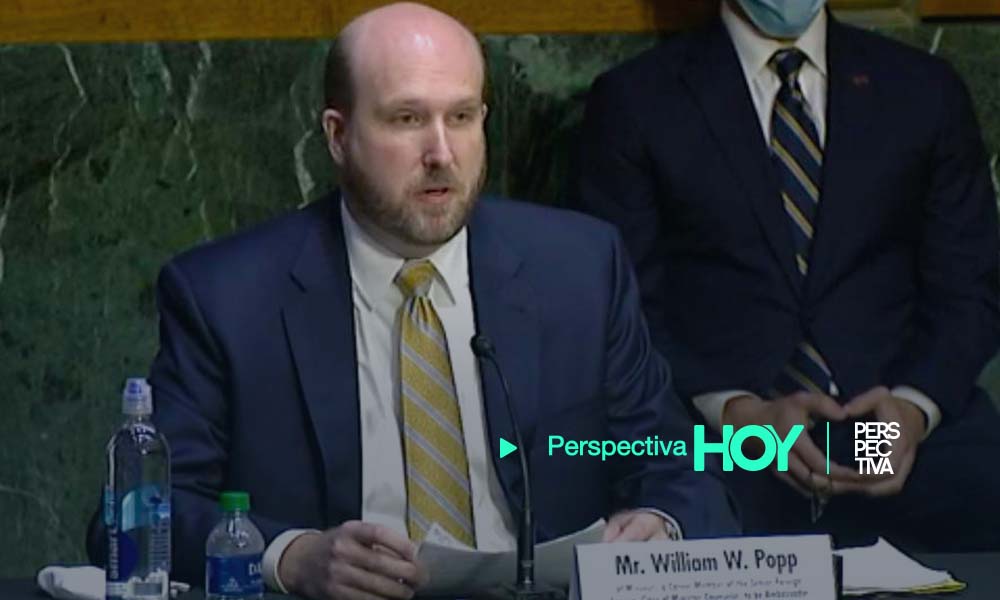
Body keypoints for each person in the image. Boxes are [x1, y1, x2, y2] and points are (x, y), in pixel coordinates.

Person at [86, 2, 739, 597]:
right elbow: (137, 514)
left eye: (462, 117)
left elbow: (674, 462)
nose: (441, 153)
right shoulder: (227, 297)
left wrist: (662, 520)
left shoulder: (579, 268)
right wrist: (292, 557)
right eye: (407, 119)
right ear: (338, 136)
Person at [574, 0, 1000, 550]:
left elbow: (970, 287)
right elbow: (618, 302)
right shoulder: (636, 99)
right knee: (666, 514)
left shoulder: (923, 89)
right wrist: (734, 411)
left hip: (890, 427)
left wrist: (913, 409)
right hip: (727, 437)